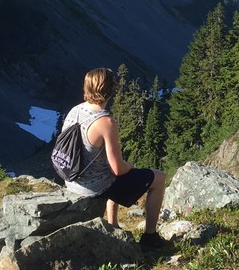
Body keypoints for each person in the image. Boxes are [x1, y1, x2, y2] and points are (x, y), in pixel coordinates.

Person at [61, 67, 169, 249]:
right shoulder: (106, 122)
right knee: (158, 179)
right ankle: (150, 237)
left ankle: (113, 223)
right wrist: (130, 165)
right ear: (110, 90)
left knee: (110, 171)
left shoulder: (76, 110)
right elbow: (118, 169)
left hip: (71, 179)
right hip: (92, 186)